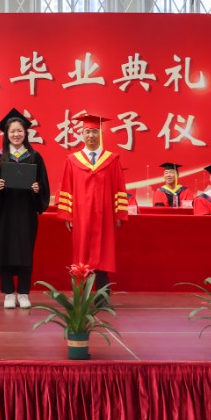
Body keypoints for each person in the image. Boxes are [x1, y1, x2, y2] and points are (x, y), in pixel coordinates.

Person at [0, 108, 50, 310]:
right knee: (4, 250)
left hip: (26, 212)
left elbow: (44, 184)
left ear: (25, 133)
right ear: (6, 134)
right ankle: (8, 293)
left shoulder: (34, 157)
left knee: (25, 251)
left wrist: (38, 189)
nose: (16, 134)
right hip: (4, 213)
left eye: (19, 131)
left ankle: (23, 292)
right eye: (12, 131)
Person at [57, 114, 128, 292]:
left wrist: (119, 214)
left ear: (101, 134)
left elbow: (119, 188)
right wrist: (68, 215)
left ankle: (102, 296)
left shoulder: (112, 160)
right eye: (87, 131)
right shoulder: (72, 160)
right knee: (82, 254)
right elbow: (66, 188)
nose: (91, 135)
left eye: (95, 131)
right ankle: (82, 297)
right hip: (81, 217)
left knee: (104, 254)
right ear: (82, 134)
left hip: (106, 216)